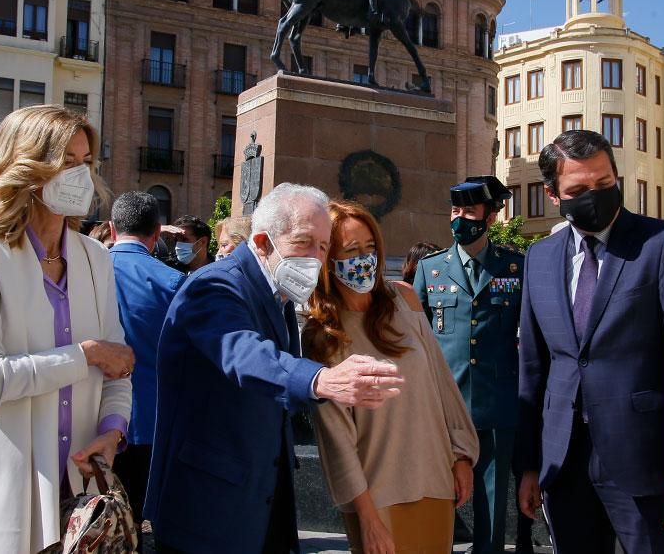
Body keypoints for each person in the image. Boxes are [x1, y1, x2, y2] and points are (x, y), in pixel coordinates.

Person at [0, 105, 135, 553]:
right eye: (66, 162)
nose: (81, 175)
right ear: (27, 168)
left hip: (75, 501)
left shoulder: (95, 257)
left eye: (86, 162)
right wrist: (85, 354)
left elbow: (117, 366)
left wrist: (113, 430)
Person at [145, 182, 405, 553]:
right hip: (207, 510)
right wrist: (319, 379)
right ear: (263, 242)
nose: (315, 258)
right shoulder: (215, 286)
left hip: (259, 502)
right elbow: (245, 354)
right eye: (303, 242)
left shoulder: (277, 293)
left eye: (323, 246)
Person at [516, 130, 664, 553]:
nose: (594, 196)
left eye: (604, 183)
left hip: (645, 464)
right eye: (579, 190)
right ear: (553, 195)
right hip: (562, 463)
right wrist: (529, 465)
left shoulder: (662, 244)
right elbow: (533, 369)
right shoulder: (539, 258)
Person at [304, 200, 478, 552]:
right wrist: (367, 518)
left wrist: (462, 454)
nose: (364, 258)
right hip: (376, 495)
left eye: (370, 247)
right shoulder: (322, 335)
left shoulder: (405, 299)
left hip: (434, 479)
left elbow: (442, 383)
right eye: (351, 249)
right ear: (328, 258)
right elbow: (337, 439)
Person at [412, 176, 524, 554]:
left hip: (496, 406)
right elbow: (417, 339)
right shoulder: (431, 269)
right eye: (455, 210)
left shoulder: (514, 268)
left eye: (469, 211)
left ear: (490, 218)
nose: (459, 218)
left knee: (491, 510)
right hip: (445, 408)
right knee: (440, 503)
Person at [108, 191, 186, 535]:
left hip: (86, 418)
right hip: (147, 419)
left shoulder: (82, 272)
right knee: (134, 520)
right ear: (157, 233)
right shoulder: (172, 281)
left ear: (112, 229)